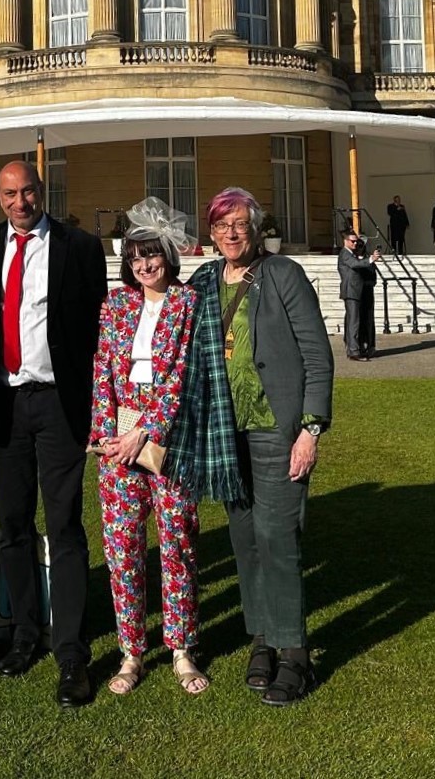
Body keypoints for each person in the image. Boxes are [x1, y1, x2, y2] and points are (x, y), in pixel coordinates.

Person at [164, 187, 333, 707]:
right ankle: (262, 637)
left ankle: (295, 654)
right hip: (224, 433)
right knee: (244, 538)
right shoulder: (205, 280)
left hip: (276, 429)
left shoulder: (283, 275)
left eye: (239, 224)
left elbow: (317, 355)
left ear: (256, 228)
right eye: (221, 226)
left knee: (277, 536)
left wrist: (310, 428)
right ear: (210, 234)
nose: (231, 233)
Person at [0, 160, 107, 707]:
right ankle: (24, 633)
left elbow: (98, 328)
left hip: (59, 403)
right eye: (9, 194)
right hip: (5, 403)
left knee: (65, 525)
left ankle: (71, 650)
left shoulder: (79, 247)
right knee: (14, 524)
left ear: (42, 192)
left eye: (27, 192)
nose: (19, 202)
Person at [89, 197, 206, 697]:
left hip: (169, 441)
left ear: (169, 255)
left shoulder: (186, 304)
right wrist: (106, 436)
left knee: (177, 543)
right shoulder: (114, 305)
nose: (145, 265)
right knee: (123, 550)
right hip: (119, 443)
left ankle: (181, 648)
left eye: (152, 254)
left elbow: (182, 374)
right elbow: (101, 372)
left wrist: (148, 430)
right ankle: (132, 651)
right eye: (135, 256)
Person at [338, 228, 381, 360]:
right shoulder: (345, 254)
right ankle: (353, 351)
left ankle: (356, 349)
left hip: (356, 291)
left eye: (356, 242)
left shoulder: (351, 253)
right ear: (346, 241)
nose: (355, 244)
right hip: (351, 291)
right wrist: (370, 260)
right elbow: (355, 264)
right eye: (353, 241)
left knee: (355, 321)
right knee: (353, 322)